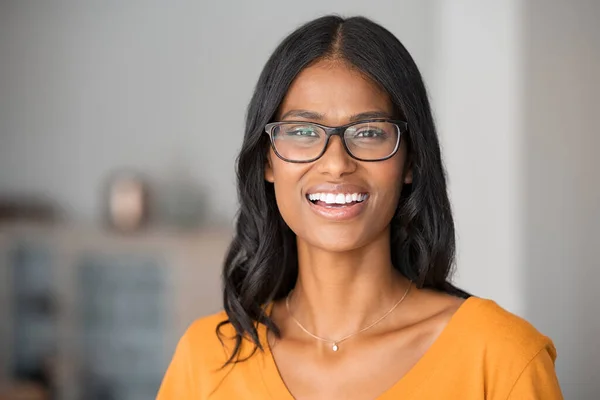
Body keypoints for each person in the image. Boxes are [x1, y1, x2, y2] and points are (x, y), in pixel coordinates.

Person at [157, 15, 563, 399]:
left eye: (368, 132)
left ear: (410, 161)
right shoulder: (205, 360)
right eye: (302, 131)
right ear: (267, 159)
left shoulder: (501, 357)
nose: (335, 164)